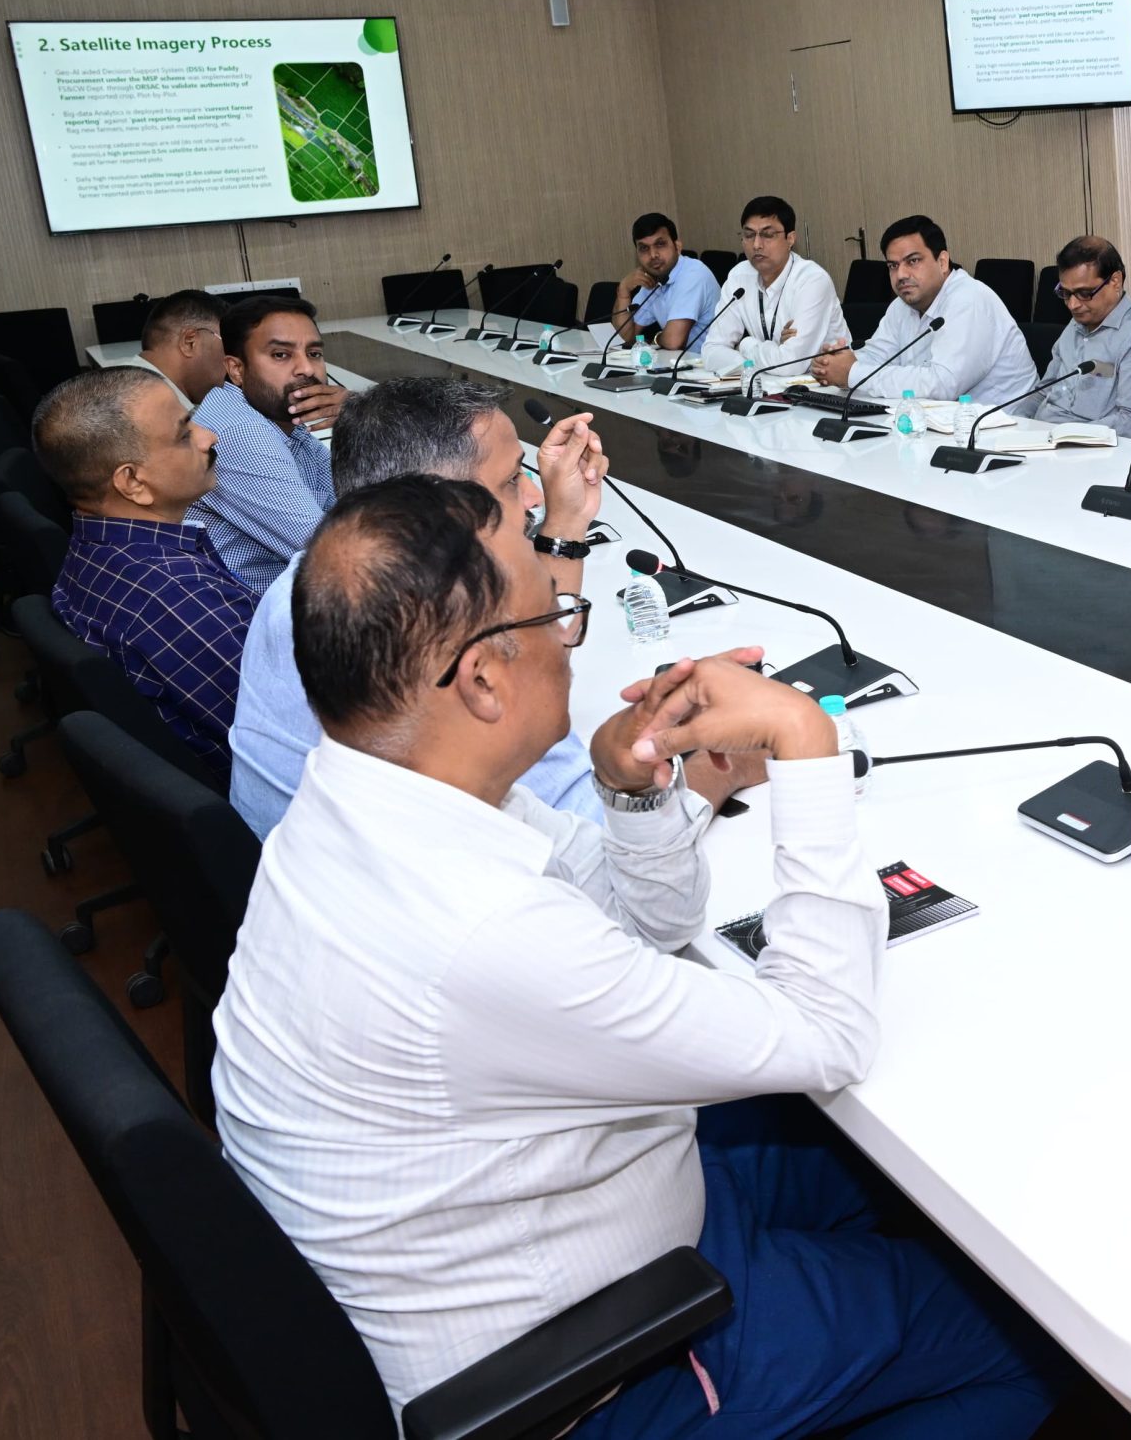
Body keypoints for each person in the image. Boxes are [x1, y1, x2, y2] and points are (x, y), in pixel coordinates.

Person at [211, 476, 1063, 1437]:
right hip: (604, 1356)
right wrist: (805, 741)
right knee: (1026, 1335)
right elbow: (829, 1035)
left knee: (920, 1199)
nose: (571, 636)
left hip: (588, 1201)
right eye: (554, 609)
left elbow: (639, 926)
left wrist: (636, 788)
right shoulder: (481, 932)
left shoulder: (368, 796)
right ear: (482, 679)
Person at [228, 376, 610, 838]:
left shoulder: (322, 576)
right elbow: (595, 823)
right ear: (436, 502)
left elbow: (534, 647)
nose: (533, 497)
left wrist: (566, 522)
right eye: (512, 480)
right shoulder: (415, 623)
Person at [34, 367, 254, 771]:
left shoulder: (94, 542)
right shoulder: (179, 598)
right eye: (184, 434)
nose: (209, 437)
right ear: (132, 482)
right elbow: (288, 730)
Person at [189, 294, 344, 593]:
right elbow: (335, 552)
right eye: (281, 355)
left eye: (314, 353)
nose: (307, 369)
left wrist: (358, 418)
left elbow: (355, 499)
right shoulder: (240, 431)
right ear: (236, 369)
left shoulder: (283, 423)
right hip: (250, 612)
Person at [807, 215, 1035, 406]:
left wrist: (852, 373)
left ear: (942, 262)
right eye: (893, 266)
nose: (901, 275)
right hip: (939, 424)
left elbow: (942, 384)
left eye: (913, 261)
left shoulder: (969, 300)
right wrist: (837, 363)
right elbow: (878, 356)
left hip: (1005, 430)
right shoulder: (902, 305)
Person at [1029, 234, 1131, 439]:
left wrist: (1066, 435)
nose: (1073, 305)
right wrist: (1011, 424)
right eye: (1066, 293)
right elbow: (1043, 392)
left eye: (1085, 293)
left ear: (1115, 281)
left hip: (1086, 447)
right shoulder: (1077, 322)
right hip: (1041, 437)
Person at [705, 195, 848, 375]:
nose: (756, 245)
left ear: (790, 238)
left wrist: (745, 344)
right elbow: (711, 352)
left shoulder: (812, 280)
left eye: (768, 235)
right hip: (768, 382)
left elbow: (791, 364)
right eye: (749, 235)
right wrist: (769, 355)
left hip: (823, 384)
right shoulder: (739, 277)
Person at [611, 211, 720, 352]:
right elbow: (625, 336)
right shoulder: (653, 279)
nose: (653, 255)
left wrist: (656, 339)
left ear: (677, 247)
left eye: (660, 244)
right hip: (680, 361)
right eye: (644, 248)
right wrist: (623, 292)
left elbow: (674, 342)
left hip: (708, 361)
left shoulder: (694, 274)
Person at [113, 288, 228, 407]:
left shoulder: (114, 387)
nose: (233, 366)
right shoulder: (150, 409)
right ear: (189, 342)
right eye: (228, 347)